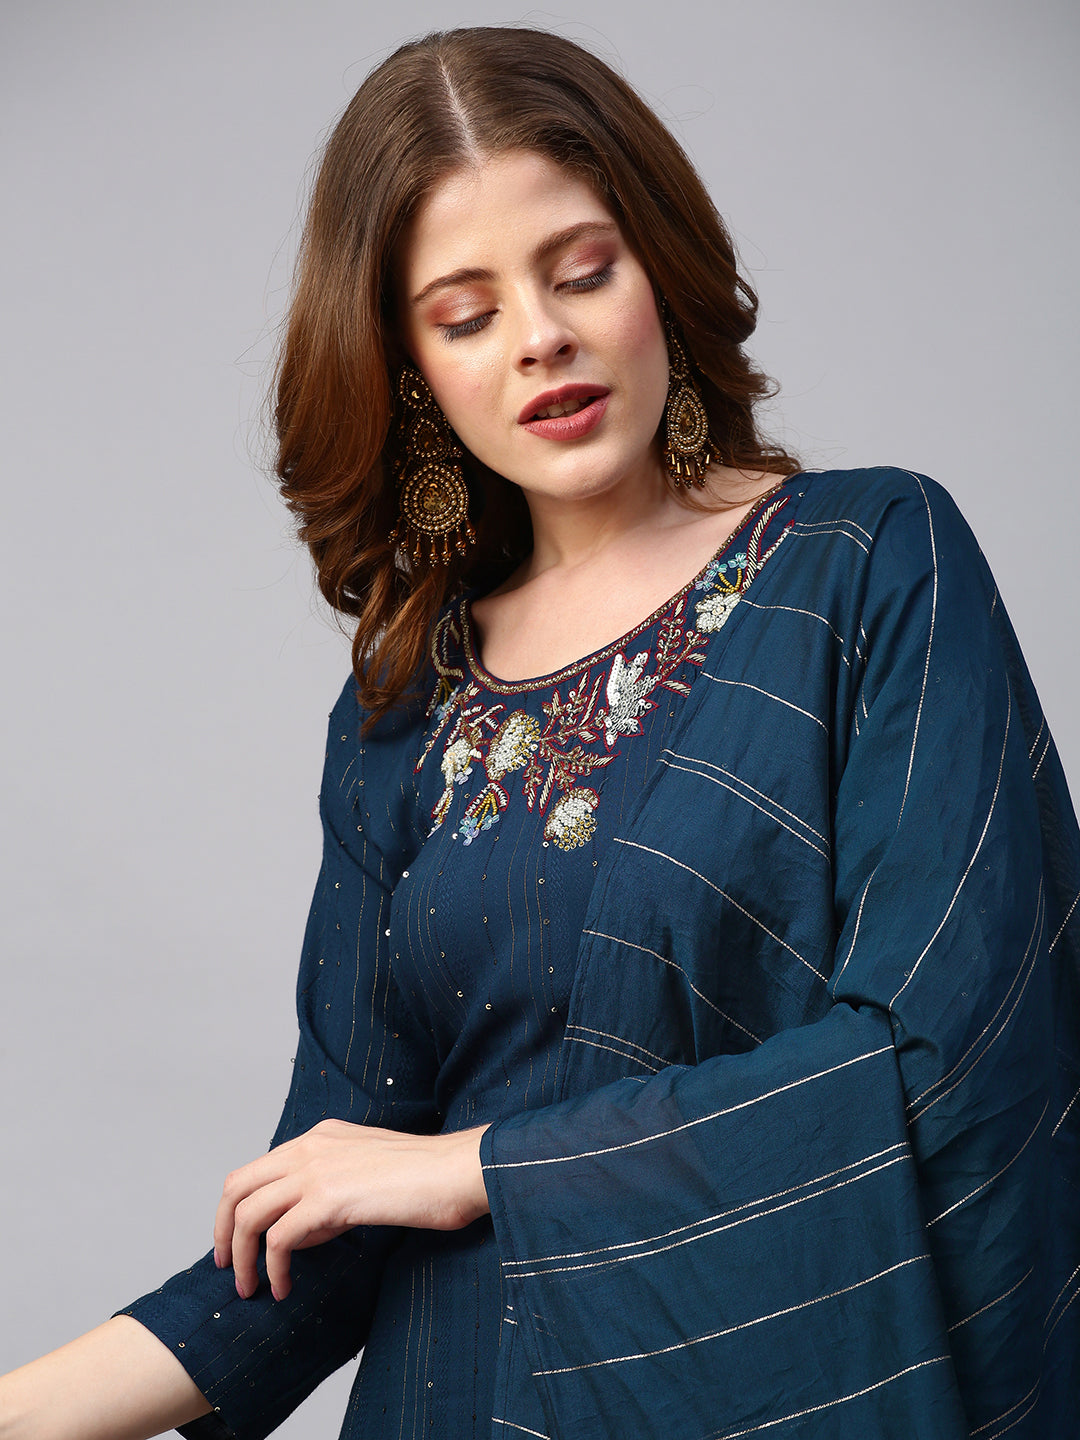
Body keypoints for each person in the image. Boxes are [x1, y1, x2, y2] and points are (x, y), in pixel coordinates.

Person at [2, 24, 1077, 1440]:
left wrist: (476, 1169)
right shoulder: (404, 711)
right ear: (411, 370)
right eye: (464, 317)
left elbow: (956, 1057)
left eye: (580, 272)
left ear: (659, 269)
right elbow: (311, 1236)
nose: (539, 338)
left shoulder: (865, 564)